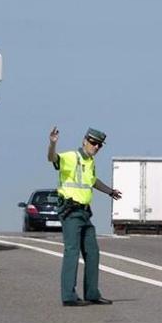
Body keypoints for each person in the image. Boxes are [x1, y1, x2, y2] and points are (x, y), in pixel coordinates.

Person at [47, 126, 122, 307]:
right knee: (72, 252)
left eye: (99, 145)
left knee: (92, 252)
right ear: (85, 141)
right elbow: (53, 158)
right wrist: (52, 144)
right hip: (71, 212)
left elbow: (92, 181)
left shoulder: (90, 162)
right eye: (94, 143)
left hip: (84, 212)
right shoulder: (72, 157)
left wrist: (110, 191)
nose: (96, 147)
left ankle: (92, 293)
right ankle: (69, 296)